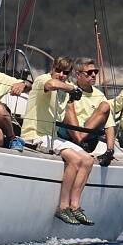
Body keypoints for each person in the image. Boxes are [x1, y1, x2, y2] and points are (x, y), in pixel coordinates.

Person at [20, 56, 97, 226]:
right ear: (52, 69)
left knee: (88, 160)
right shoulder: (43, 80)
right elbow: (51, 85)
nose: (61, 75)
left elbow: (67, 113)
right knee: (75, 160)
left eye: (65, 72)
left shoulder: (64, 90)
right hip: (34, 135)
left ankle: (74, 206)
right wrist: (72, 88)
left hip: (51, 136)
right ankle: (62, 207)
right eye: (58, 70)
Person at [58, 57, 114, 160]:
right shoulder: (68, 88)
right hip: (68, 135)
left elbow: (109, 125)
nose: (93, 75)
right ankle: (79, 141)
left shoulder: (100, 95)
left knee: (105, 106)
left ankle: (79, 141)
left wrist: (110, 150)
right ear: (78, 75)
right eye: (89, 72)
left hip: (87, 139)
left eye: (95, 72)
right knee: (68, 107)